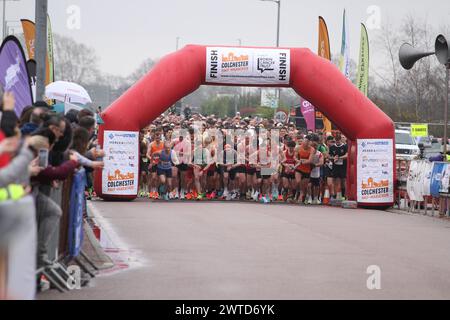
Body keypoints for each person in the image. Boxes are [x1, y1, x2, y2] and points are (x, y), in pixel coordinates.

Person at [329, 133, 348, 200]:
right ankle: (334, 195)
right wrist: (333, 158)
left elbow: (346, 155)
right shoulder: (332, 147)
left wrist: (339, 158)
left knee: (343, 181)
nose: (337, 143)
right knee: (335, 181)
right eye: (336, 141)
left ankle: (343, 195)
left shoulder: (345, 146)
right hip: (335, 166)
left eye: (338, 141)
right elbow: (329, 156)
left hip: (343, 167)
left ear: (341, 140)